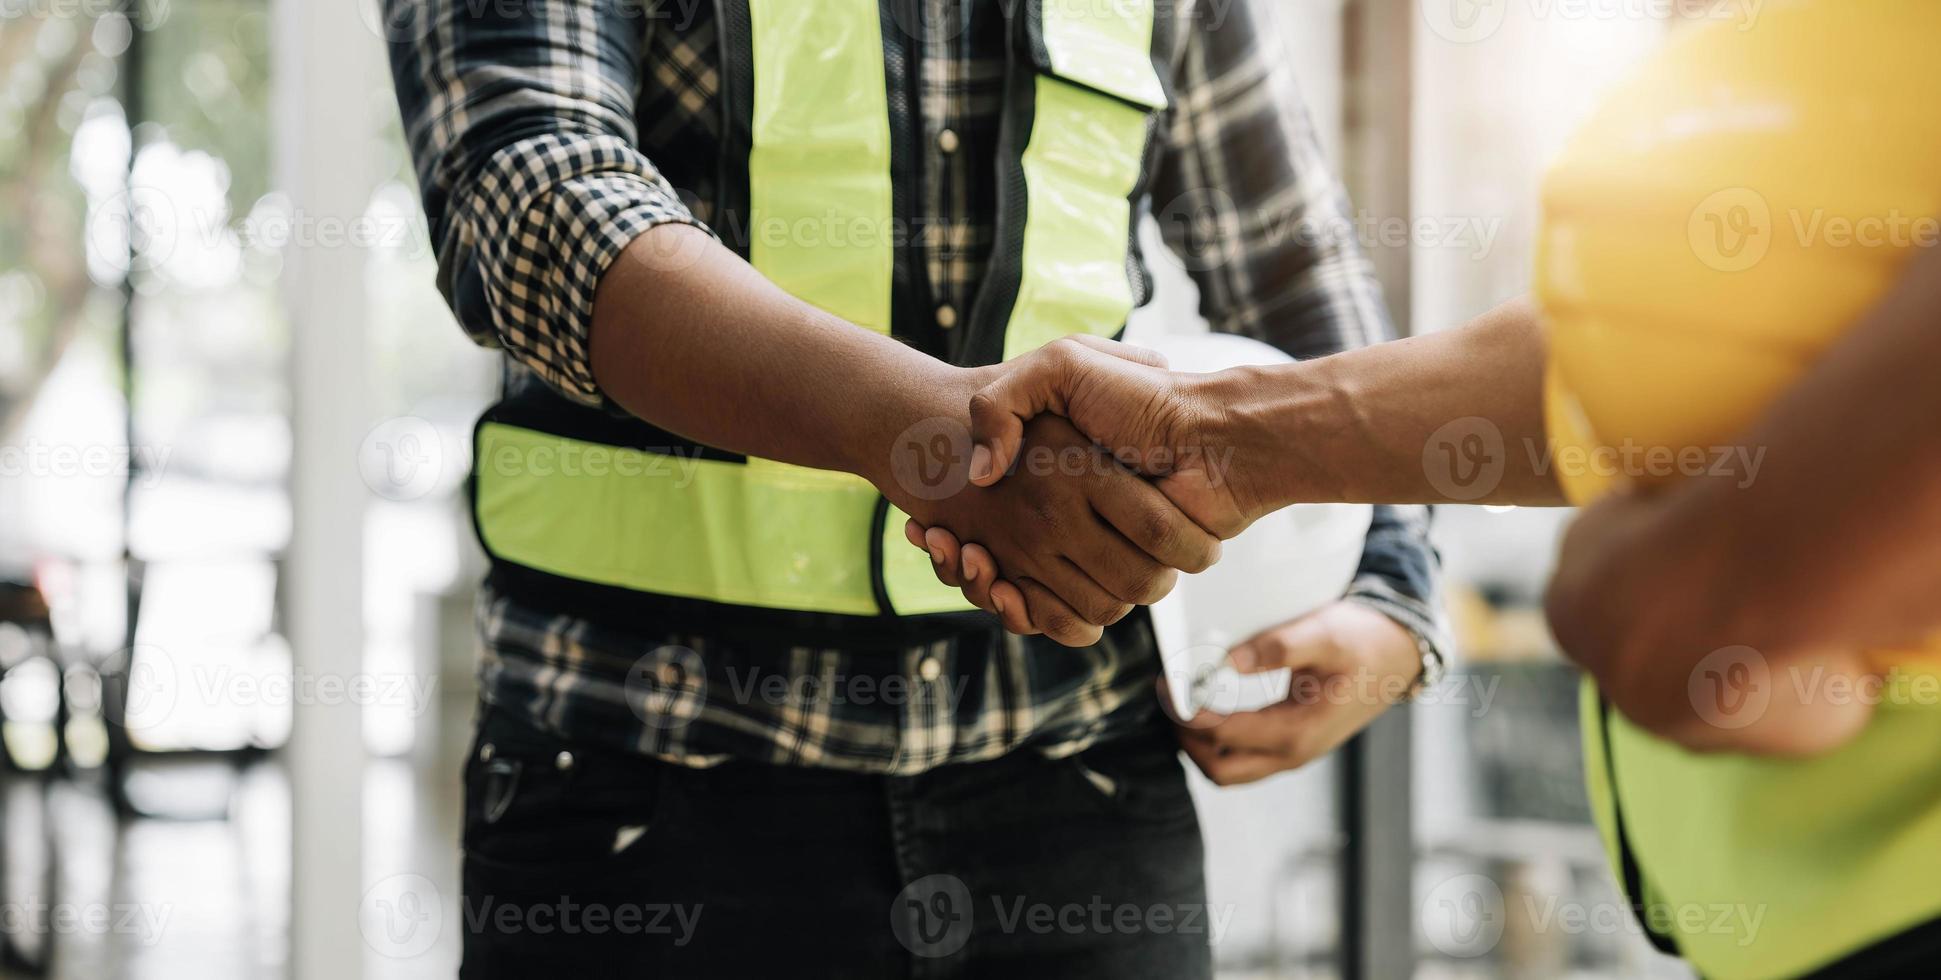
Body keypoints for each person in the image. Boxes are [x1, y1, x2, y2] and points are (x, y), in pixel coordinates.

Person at [382, 0, 1446, 974]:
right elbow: (529, 202)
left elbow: (1297, 271)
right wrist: (931, 439)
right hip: (645, 793)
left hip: (1082, 796)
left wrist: (1395, 589)